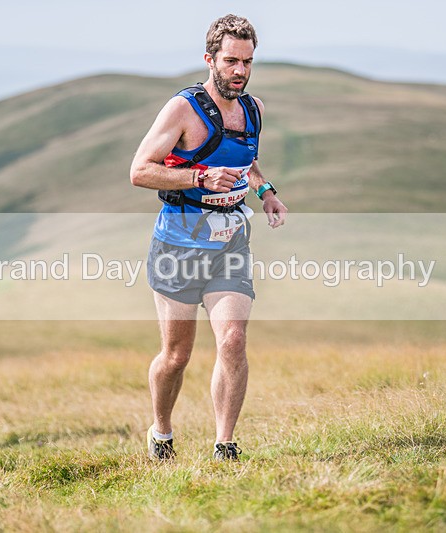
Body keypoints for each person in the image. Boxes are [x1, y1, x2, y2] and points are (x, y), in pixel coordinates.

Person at [130, 14, 287, 461]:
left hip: (230, 240)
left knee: (233, 339)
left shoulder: (253, 109)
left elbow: (246, 161)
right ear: (210, 59)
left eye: (248, 62)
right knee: (176, 357)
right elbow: (139, 170)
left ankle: (225, 445)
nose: (240, 70)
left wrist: (265, 192)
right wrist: (200, 176)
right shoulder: (183, 108)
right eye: (232, 61)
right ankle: (161, 431)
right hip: (178, 243)